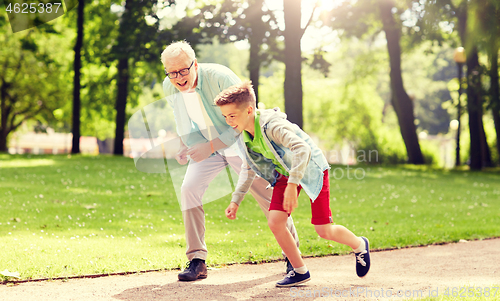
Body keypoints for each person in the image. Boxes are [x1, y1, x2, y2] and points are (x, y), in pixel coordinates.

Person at [160, 41, 300, 281]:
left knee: (268, 197)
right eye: (172, 73)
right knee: (188, 189)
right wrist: (186, 145)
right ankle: (197, 259)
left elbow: (247, 116)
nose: (178, 78)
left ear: (195, 64)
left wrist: (212, 146)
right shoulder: (169, 86)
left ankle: (293, 257)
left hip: (241, 142)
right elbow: (182, 119)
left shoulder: (220, 77)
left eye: (183, 70)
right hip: (207, 146)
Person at [214, 81, 371, 287]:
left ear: (249, 110)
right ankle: (299, 271)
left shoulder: (273, 127)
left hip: (311, 168)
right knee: (275, 222)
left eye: (232, 116)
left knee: (323, 230)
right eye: (225, 116)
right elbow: (249, 167)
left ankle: (359, 244)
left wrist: (292, 185)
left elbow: (302, 149)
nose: (228, 121)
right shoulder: (244, 134)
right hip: (284, 173)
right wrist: (236, 200)